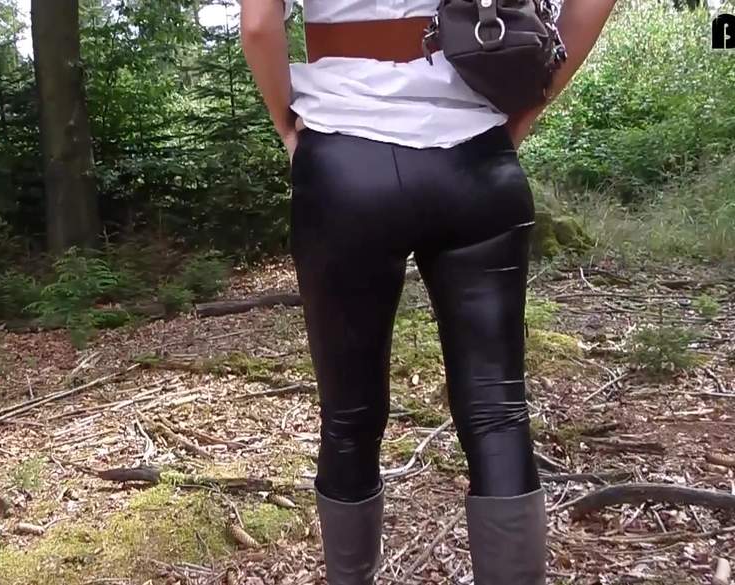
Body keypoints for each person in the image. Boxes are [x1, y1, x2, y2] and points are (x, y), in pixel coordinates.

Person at [239, 1, 616, 583]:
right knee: (498, 413)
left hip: (343, 158)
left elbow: (260, 24)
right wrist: (531, 104)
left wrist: (287, 126)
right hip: (477, 155)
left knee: (348, 417)